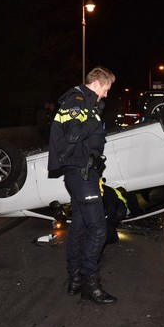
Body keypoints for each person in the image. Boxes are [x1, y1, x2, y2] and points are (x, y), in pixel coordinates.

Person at [47, 66, 117, 305]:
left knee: (78, 227)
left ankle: (75, 278)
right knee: (98, 229)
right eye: (106, 89)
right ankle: (90, 283)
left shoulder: (83, 102)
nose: (106, 95)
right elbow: (75, 135)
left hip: (82, 174)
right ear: (97, 83)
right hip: (81, 174)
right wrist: (91, 112)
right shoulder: (78, 101)